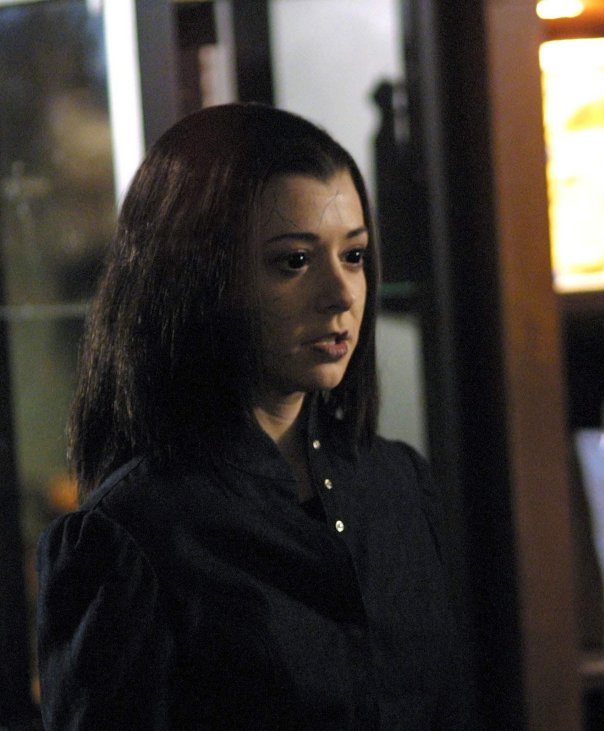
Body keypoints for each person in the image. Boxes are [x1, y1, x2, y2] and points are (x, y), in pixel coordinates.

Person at [36, 103, 469, 728]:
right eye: (294, 261)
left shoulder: (397, 484)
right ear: (199, 277)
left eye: (354, 256)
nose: (341, 295)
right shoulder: (135, 535)